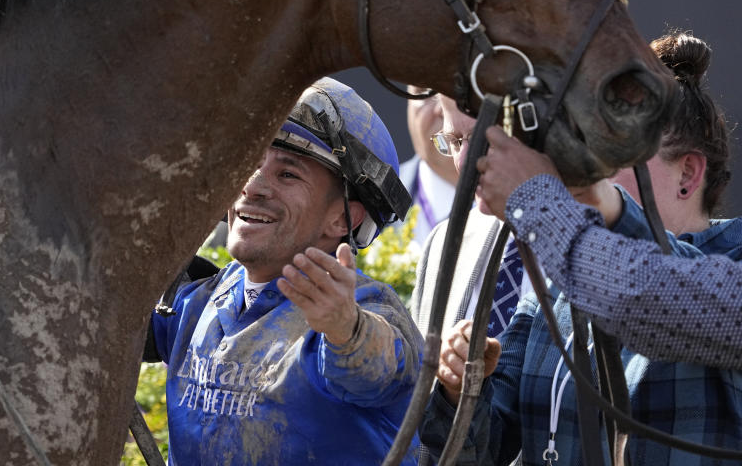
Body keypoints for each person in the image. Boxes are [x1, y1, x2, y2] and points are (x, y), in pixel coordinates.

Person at [425, 33, 742, 465]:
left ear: (687, 173)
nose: (590, 165)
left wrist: (595, 203)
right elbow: (486, 449)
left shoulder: (734, 254)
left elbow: (653, 292)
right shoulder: (557, 267)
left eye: (614, 152)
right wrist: (463, 388)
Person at [148, 77, 425, 465]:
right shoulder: (194, 303)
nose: (253, 186)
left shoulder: (364, 305)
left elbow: (381, 366)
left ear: (343, 219)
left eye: (288, 174)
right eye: (250, 163)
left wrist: (349, 329)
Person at [408, 95, 531, 341]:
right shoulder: (440, 246)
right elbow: (422, 373)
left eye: (479, 140)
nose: (463, 163)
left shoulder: (599, 233)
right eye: (454, 142)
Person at [399, 89, 459, 246]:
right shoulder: (366, 207)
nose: (444, 108)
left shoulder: (526, 200)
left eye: (460, 88)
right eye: (426, 90)